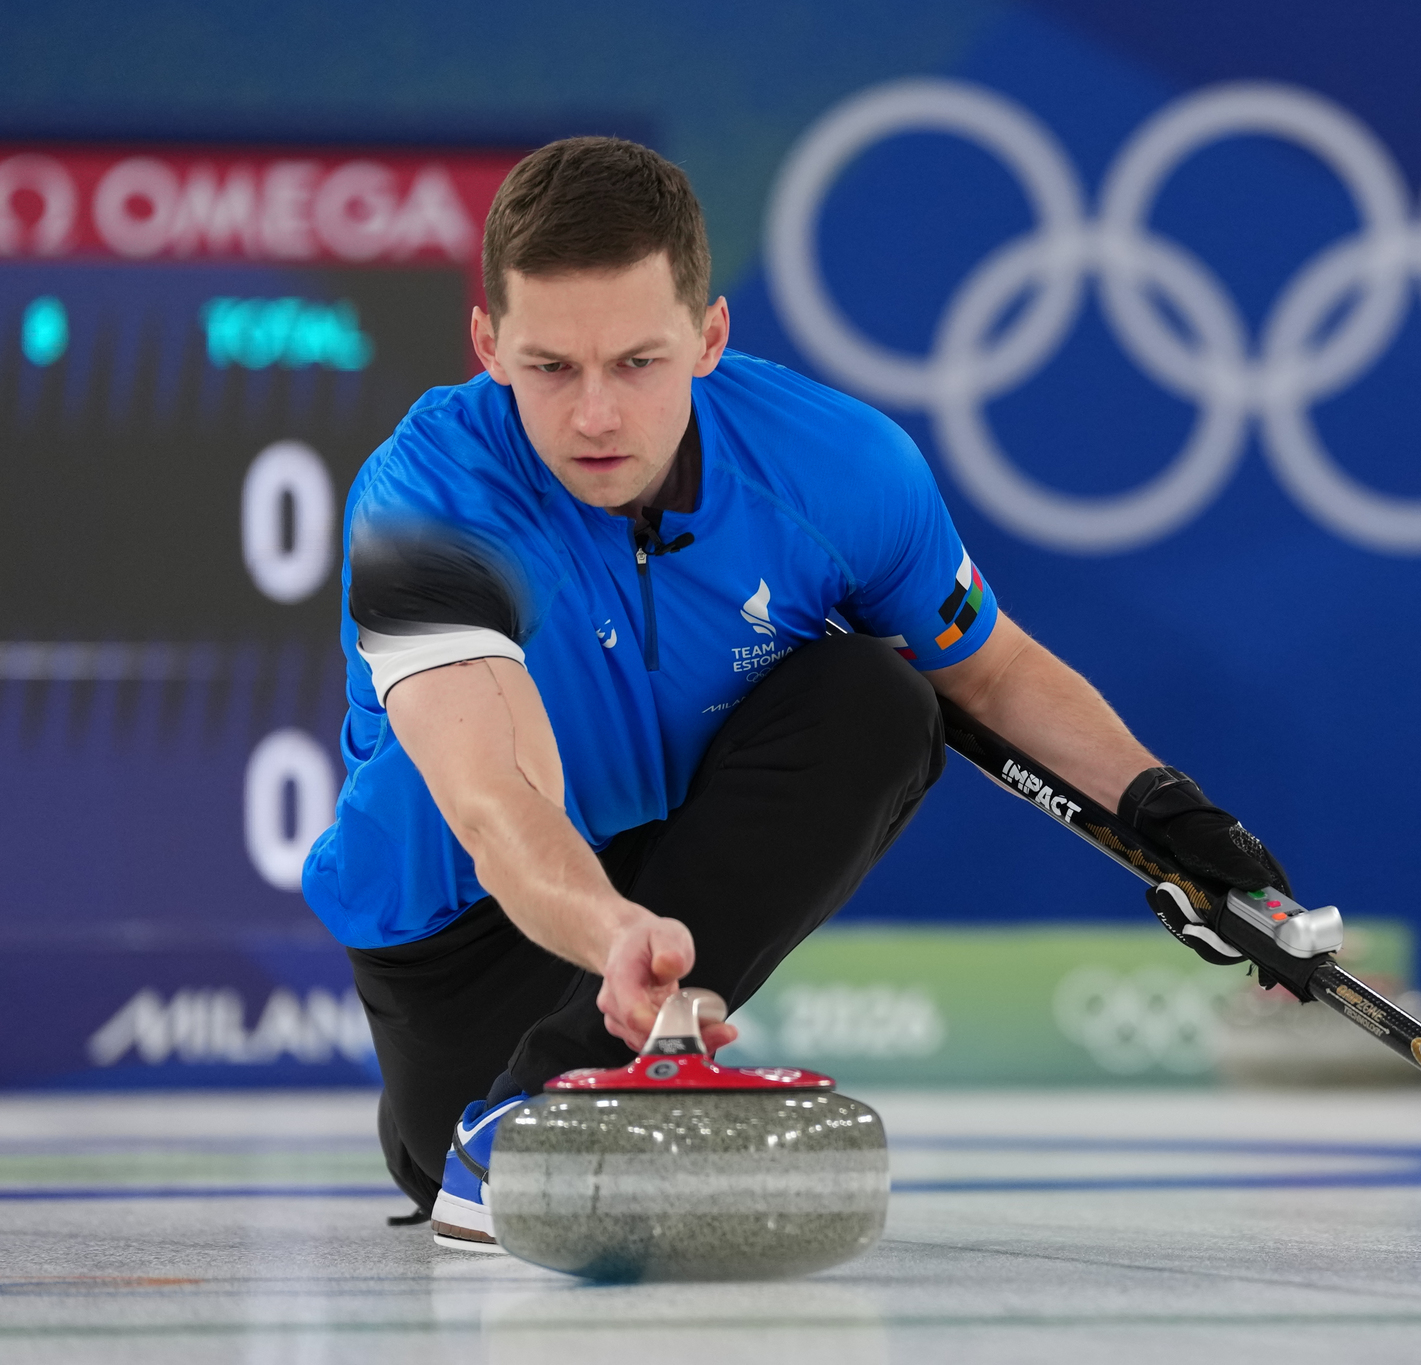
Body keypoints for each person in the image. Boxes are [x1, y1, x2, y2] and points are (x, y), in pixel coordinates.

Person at [302, 136, 1290, 1250]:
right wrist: (616, 934)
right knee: (450, 1144)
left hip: (677, 883)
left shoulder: (839, 466)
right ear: (487, 344)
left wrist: (1169, 817)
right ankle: (510, 1110)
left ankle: (566, 1089)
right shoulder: (427, 497)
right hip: (472, 931)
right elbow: (498, 800)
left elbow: (993, 669)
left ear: (709, 338)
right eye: (549, 368)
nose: (594, 416)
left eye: (637, 364)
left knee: (881, 696)